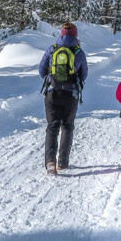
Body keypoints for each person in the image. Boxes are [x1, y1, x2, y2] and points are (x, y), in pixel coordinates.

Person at [39, 22, 88, 175]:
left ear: (61, 34)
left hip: (52, 93)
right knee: (67, 126)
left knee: (52, 127)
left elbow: (41, 69)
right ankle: (63, 162)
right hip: (70, 94)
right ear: (75, 35)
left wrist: (51, 79)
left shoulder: (52, 49)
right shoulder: (79, 52)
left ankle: (50, 162)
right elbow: (84, 74)